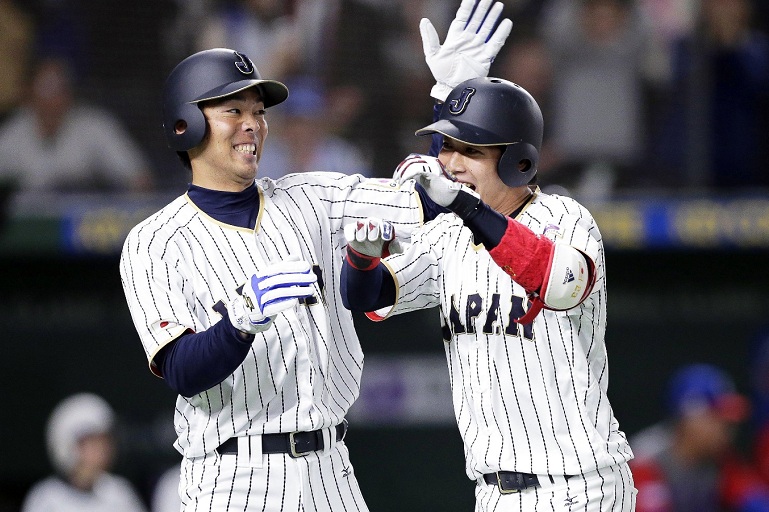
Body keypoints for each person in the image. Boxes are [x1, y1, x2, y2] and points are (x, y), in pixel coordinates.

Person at [118, 3, 511, 510]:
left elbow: (431, 196)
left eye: (258, 112)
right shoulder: (154, 241)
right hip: (234, 476)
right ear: (184, 125)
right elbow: (180, 370)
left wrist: (449, 106)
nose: (252, 125)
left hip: (331, 469)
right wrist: (237, 322)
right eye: (232, 111)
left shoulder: (312, 197)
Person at [339, 76, 636, 510]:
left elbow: (559, 284)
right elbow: (368, 297)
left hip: (579, 484)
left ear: (518, 162)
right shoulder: (448, 236)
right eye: (446, 147)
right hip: (494, 492)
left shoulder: (564, 217)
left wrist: (465, 206)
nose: (452, 164)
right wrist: (361, 257)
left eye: (471, 151)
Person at [0, 56, 154, 193]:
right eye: (45, 89)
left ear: (69, 92)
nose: (52, 100)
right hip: (28, 221)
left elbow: (140, 178)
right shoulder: (14, 131)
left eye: (58, 89)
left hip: (85, 218)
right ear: (29, 94)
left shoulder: (95, 124)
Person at [630, 363, 769, 512]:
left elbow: (755, 500)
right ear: (691, 418)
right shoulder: (645, 459)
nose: (727, 430)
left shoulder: (719, 458)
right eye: (718, 419)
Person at [21, 392, 147, 512]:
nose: (102, 449)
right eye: (91, 443)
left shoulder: (120, 493)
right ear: (67, 445)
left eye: (104, 441)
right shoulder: (46, 498)